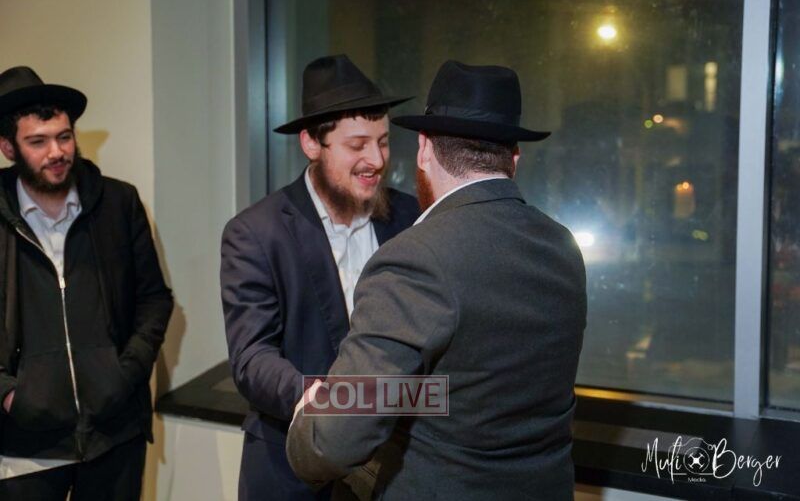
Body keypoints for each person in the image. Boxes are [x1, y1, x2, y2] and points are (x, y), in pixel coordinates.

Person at [286, 60, 587, 500]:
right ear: (515, 158)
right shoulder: (563, 247)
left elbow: (331, 441)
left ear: (424, 149)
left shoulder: (416, 256)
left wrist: (309, 419)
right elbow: (476, 389)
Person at [220, 54, 419, 500]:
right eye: (357, 145)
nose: (376, 160)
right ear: (311, 143)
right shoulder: (256, 232)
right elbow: (251, 358)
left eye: (383, 142)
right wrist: (333, 401)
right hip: (293, 468)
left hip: (396, 471)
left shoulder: (411, 217)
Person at [0, 66, 173, 500]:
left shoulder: (118, 203)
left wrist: (125, 374)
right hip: (23, 446)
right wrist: (9, 394)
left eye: (64, 137)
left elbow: (154, 300)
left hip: (114, 436)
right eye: (38, 142)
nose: (56, 152)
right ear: (8, 148)